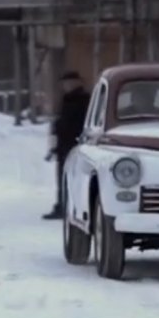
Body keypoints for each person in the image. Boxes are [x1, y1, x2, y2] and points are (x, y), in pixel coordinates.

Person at [42, 70, 91, 220]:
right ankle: (63, 205)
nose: (66, 86)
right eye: (64, 83)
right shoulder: (67, 99)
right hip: (64, 145)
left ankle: (71, 206)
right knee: (63, 177)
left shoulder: (83, 100)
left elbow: (77, 123)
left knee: (73, 178)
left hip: (75, 144)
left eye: (69, 83)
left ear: (77, 83)